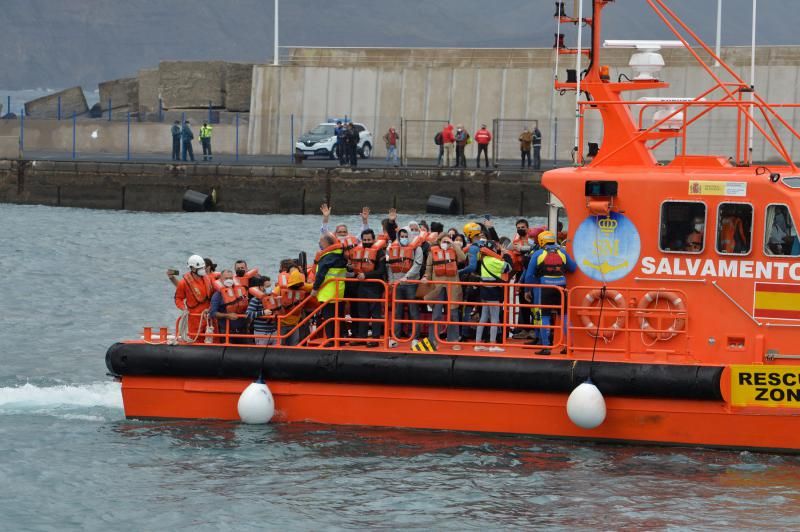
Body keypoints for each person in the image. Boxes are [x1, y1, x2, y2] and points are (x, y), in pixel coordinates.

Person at [523, 230, 576, 355]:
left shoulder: (538, 254)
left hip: (545, 289)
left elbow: (529, 275)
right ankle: (569, 346)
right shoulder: (562, 252)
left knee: (544, 316)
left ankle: (546, 347)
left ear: (541, 241)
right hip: (561, 288)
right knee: (565, 316)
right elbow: (573, 268)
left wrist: (527, 290)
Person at [425, 233, 467, 350]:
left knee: (453, 313)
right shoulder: (432, 252)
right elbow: (428, 268)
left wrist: (453, 244)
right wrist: (426, 277)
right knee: (436, 314)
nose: (446, 244)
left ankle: (453, 339)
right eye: (444, 241)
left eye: (448, 241)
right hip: (437, 286)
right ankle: (432, 340)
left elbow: (463, 258)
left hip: (452, 285)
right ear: (439, 241)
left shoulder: (454, 250)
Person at [386, 227, 424, 346]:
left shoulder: (417, 249)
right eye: (401, 236)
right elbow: (390, 267)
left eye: (405, 236)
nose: (403, 238)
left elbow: (417, 265)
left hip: (411, 284)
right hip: (397, 284)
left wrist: (407, 277)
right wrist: (392, 281)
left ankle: (415, 337)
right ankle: (395, 337)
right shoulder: (393, 249)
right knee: (397, 312)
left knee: (413, 311)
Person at [350, 229, 388, 347]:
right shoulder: (359, 251)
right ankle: (362, 337)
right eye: (364, 240)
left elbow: (381, 270)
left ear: (374, 239)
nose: (367, 241)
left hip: (375, 286)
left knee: (375, 313)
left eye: (369, 239)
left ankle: (375, 338)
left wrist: (366, 275)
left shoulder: (380, 252)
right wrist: (351, 268)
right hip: (361, 286)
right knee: (362, 312)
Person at [474, 240, 512, 352]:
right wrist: (506, 254)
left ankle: (477, 343)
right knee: (495, 318)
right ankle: (492, 345)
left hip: (484, 292)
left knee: (483, 318)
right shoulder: (493, 261)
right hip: (493, 292)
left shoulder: (484, 259)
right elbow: (508, 267)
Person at [310, 232, 348, 342]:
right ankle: (341, 338)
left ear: (326, 243)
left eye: (321, 242)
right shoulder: (340, 256)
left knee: (329, 319)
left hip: (328, 293)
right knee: (339, 317)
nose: (319, 243)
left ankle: (331, 340)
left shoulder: (327, 257)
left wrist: (315, 289)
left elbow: (321, 274)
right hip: (339, 292)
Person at [174, 254, 214, 342]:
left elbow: (213, 296)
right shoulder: (184, 283)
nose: (203, 270)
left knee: (213, 338)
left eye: (203, 268)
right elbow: (178, 298)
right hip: (194, 318)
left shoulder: (208, 279)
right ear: (192, 268)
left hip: (208, 315)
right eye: (200, 268)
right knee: (196, 339)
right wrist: (184, 309)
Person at [276, 259, 312, 346]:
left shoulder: (279, 288)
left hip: (287, 324)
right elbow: (313, 287)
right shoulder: (303, 287)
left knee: (281, 346)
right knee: (292, 346)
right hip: (288, 324)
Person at [209, 269, 251, 344]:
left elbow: (247, 305)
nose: (229, 280)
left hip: (242, 330)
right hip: (227, 331)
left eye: (230, 278)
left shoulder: (240, 292)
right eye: (226, 278)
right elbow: (213, 313)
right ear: (221, 279)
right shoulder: (217, 295)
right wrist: (227, 315)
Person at [246, 276, 279, 345]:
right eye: (267, 286)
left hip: (274, 332)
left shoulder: (273, 298)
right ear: (261, 287)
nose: (270, 288)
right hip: (261, 333)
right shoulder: (255, 300)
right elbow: (248, 314)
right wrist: (263, 312)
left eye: (270, 286)